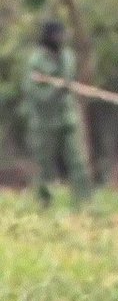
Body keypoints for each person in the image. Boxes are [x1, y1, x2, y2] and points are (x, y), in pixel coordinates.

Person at [20, 19, 92, 207]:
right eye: (57, 35)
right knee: (44, 165)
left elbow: (69, 81)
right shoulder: (36, 61)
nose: (61, 38)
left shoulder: (68, 57)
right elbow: (35, 94)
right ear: (48, 37)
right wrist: (56, 90)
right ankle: (44, 202)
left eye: (62, 34)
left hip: (67, 118)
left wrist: (65, 86)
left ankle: (84, 202)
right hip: (44, 123)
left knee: (77, 161)